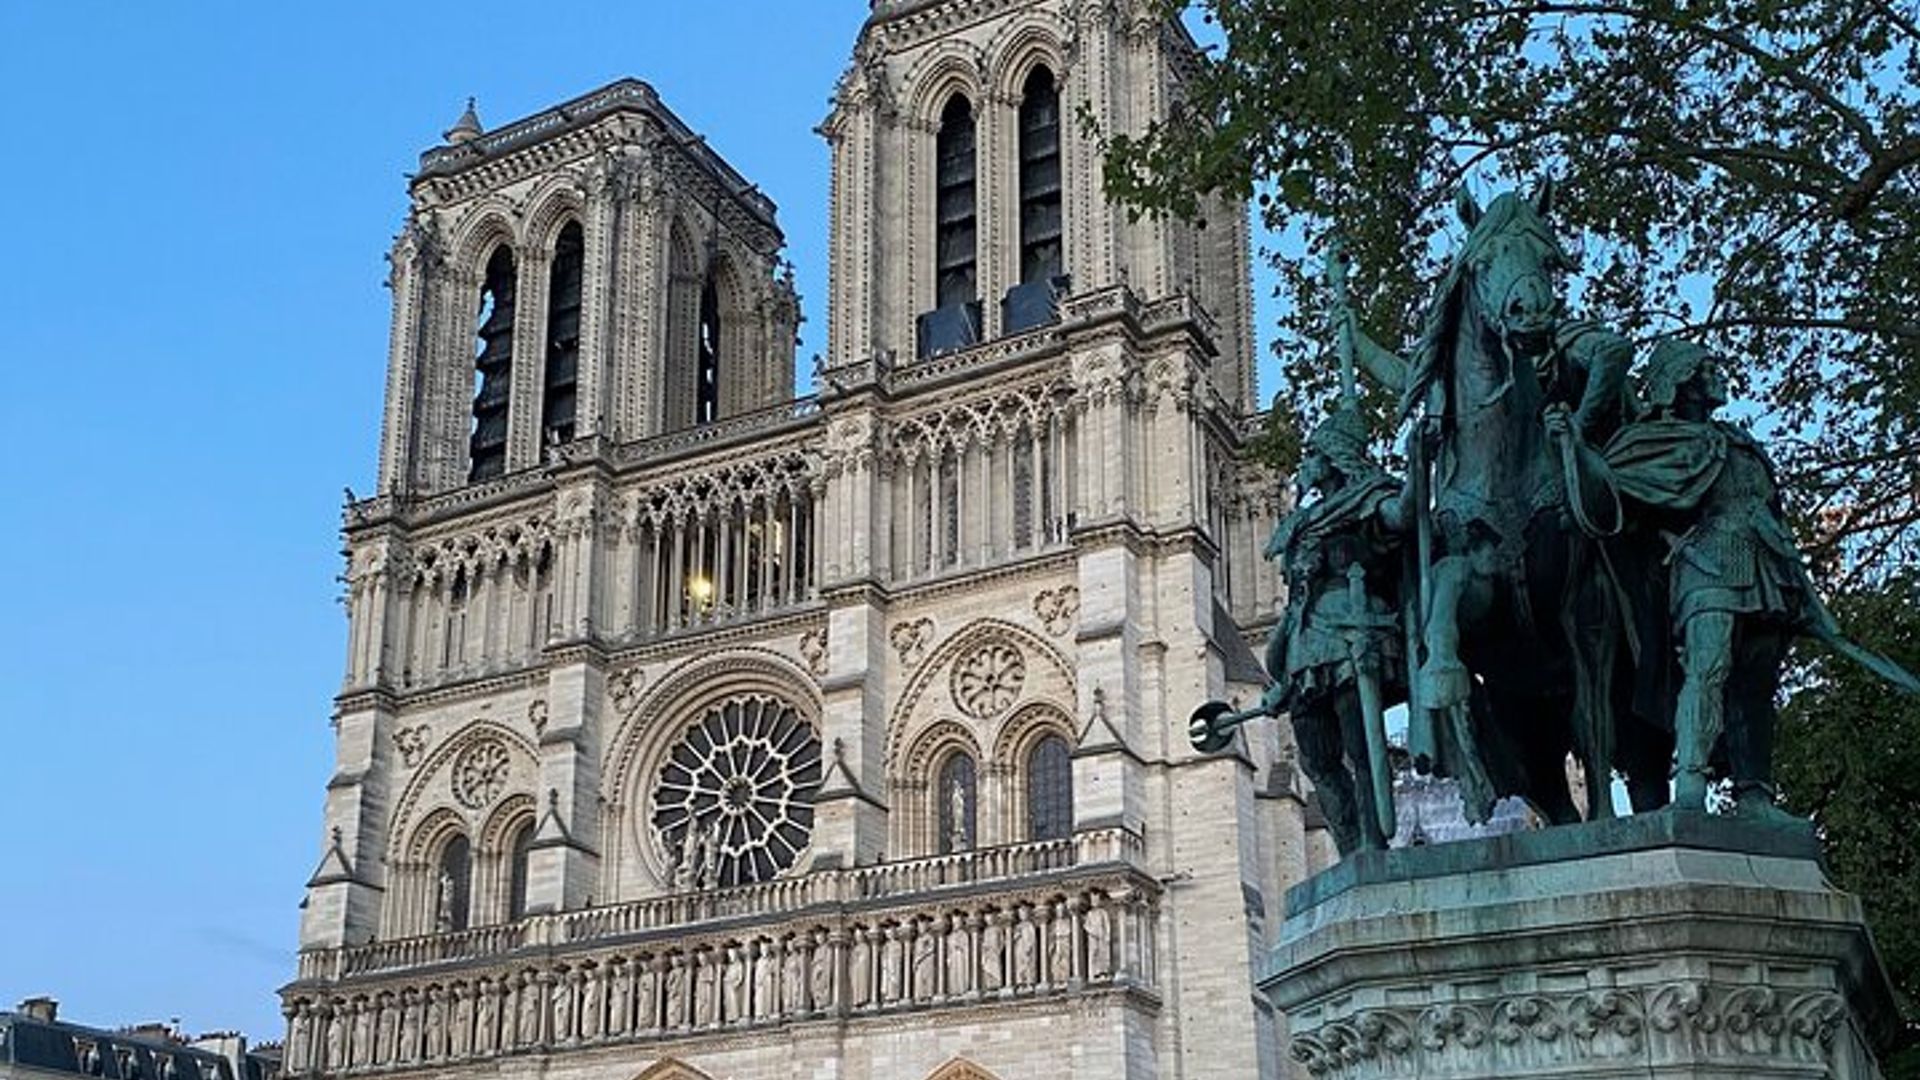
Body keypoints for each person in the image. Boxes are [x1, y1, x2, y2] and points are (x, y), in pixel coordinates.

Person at [1595, 341, 1920, 817]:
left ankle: (1754, 794)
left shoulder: (1741, 442)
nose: (1718, 376)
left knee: (1754, 683)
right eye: (1707, 370)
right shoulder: (1655, 442)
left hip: (1768, 569)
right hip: (1708, 564)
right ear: (1681, 381)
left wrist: (1804, 591)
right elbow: (1612, 493)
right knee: (1707, 671)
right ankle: (1689, 789)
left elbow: (1773, 515)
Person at [1258, 407, 1410, 853]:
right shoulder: (1301, 524)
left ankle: (1373, 845)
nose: (1302, 465)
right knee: (1316, 758)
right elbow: (1294, 602)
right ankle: (1351, 849)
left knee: (1361, 749)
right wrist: (1280, 675)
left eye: (1312, 456)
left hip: (1352, 633)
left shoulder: (1367, 502)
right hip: (1307, 644)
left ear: (1331, 459)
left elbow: (1402, 518)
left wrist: (1418, 463)